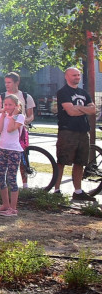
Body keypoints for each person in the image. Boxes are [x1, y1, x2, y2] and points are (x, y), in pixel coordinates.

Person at [55, 66, 98, 202]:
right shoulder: (63, 92)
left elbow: (93, 110)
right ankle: (56, 190)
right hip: (67, 131)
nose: (77, 78)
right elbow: (71, 112)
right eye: (74, 75)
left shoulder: (84, 93)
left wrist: (79, 108)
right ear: (66, 76)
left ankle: (78, 191)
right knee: (62, 160)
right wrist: (84, 109)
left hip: (83, 130)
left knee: (80, 162)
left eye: (78, 75)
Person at [0, 72, 36, 189]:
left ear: (17, 82)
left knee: (23, 157)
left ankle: (25, 184)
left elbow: (31, 115)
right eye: (5, 82)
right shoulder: (1, 97)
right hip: (6, 133)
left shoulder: (26, 97)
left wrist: (23, 121)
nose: (6, 85)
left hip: (20, 132)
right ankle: (7, 184)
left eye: (9, 82)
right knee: (6, 160)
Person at [0, 94, 25, 216]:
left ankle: (13, 208)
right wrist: (2, 115)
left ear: (16, 106)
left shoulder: (20, 117)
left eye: (10, 105)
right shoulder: (4, 115)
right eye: (5, 104)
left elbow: (10, 129)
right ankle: (5, 204)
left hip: (14, 150)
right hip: (3, 149)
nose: (7, 107)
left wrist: (13, 116)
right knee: (0, 177)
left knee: (11, 178)